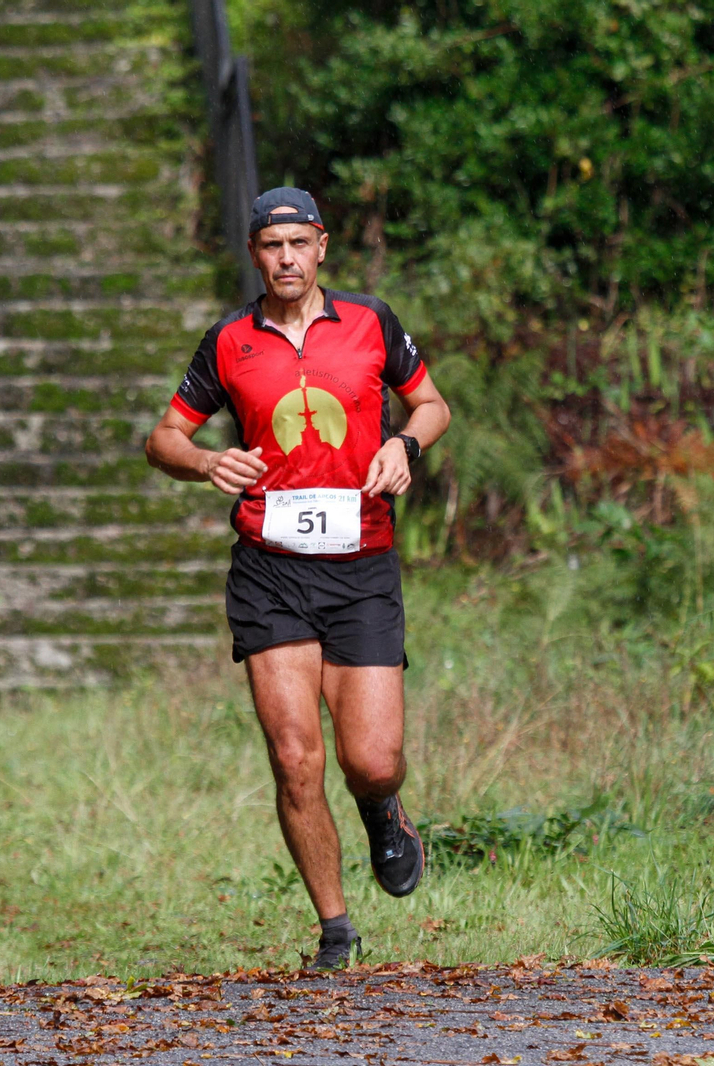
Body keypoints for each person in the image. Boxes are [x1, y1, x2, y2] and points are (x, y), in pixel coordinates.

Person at [145, 187, 452, 970]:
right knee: (294, 758)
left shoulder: (371, 323)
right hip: (270, 572)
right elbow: (164, 436)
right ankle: (336, 929)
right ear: (256, 254)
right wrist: (207, 459)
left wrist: (405, 448)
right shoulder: (229, 342)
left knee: (371, 759)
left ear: (321, 247)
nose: (285, 258)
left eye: (298, 244)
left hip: (361, 567)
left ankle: (382, 809)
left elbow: (431, 406)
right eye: (270, 246)